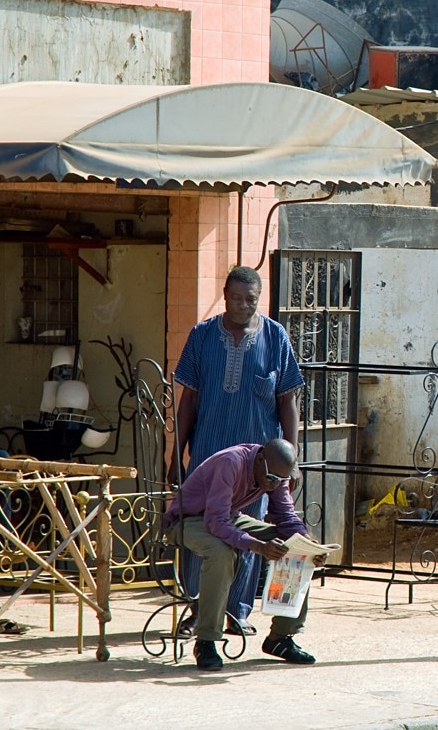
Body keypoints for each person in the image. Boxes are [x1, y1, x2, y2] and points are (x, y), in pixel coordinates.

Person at [173, 265, 305, 635]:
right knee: (207, 533)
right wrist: (175, 456)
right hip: (208, 456)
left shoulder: (275, 337)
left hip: (258, 467)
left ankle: (237, 611)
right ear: (225, 296)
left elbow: (288, 400)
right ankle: (198, 611)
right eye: (236, 298)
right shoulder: (202, 336)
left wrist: (290, 460)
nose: (244, 305)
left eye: (251, 299)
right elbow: (188, 401)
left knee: (252, 534)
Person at [163, 438, 323, 670]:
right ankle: (206, 640)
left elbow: (286, 517)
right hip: (187, 520)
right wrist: (257, 546)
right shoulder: (231, 463)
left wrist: (307, 543)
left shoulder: (275, 473)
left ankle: (281, 638)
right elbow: (215, 522)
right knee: (221, 552)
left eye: (280, 480)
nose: (273, 484)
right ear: (260, 460)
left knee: (295, 546)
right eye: (271, 478)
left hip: (228, 516)